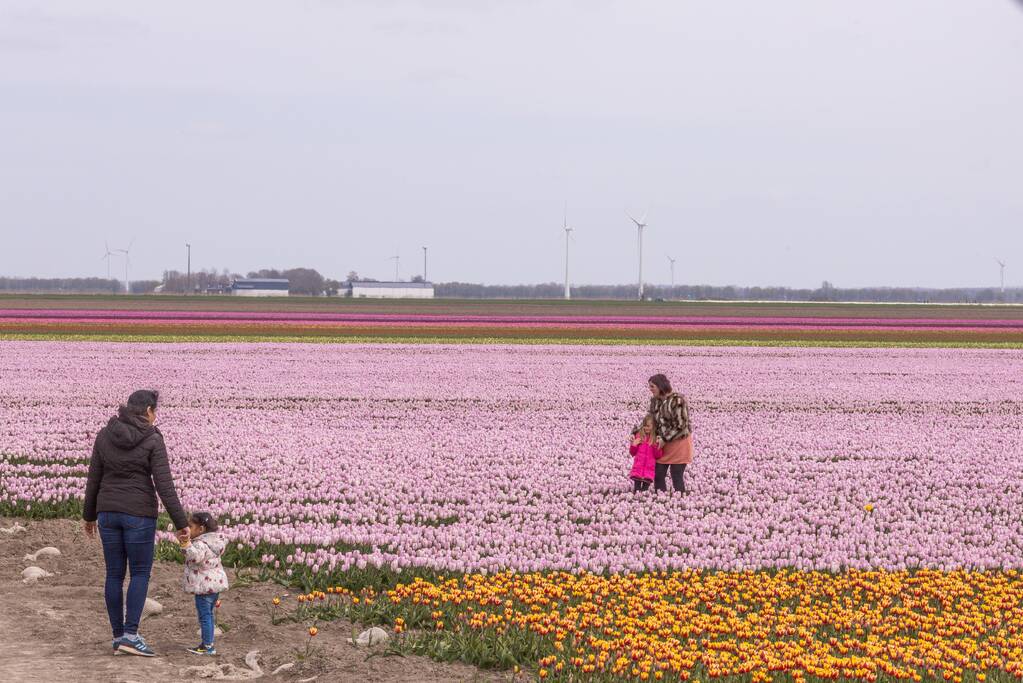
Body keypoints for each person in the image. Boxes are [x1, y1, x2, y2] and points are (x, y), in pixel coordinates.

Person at [82, 389, 190, 657]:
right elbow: (164, 485)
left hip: (108, 512)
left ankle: (118, 637)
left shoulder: (105, 435)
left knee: (114, 575)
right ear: (150, 411)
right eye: (156, 411)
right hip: (138, 515)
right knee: (140, 573)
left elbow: (93, 477)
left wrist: (89, 515)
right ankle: (131, 634)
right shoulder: (153, 438)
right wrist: (181, 522)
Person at [180, 511, 229, 656]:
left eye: (191, 526)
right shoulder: (214, 542)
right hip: (214, 585)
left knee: (205, 616)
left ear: (201, 529)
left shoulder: (201, 544)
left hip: (203, 587)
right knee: (209, 615)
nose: (188, 529)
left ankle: (208, 646)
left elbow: (194, 557)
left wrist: (185, 543)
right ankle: (207, 643)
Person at [647, 373, 693, 494]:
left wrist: (664, 439)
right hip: (662, 445)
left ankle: (680, 502)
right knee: (658, 474)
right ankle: (660, 501)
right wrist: (636, 433)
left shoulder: (677, 400)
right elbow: (650, 420)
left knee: (676, 475)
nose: (650, 389)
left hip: (679, 444)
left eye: (652, 386)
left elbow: (681, 425)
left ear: (660, 386)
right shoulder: (655, 401)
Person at [628, 414, 661, 492]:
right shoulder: (638, 436)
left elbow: (658, 455)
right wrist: (633, 445)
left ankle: (642, 503)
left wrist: (656, 445)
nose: (646, 428)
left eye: (648, 426)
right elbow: (632, 453)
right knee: (637, 490)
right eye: (645, 425)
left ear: (653, 426)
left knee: (644, 491)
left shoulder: (655, 439)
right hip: (638, 468)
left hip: (649, 470)